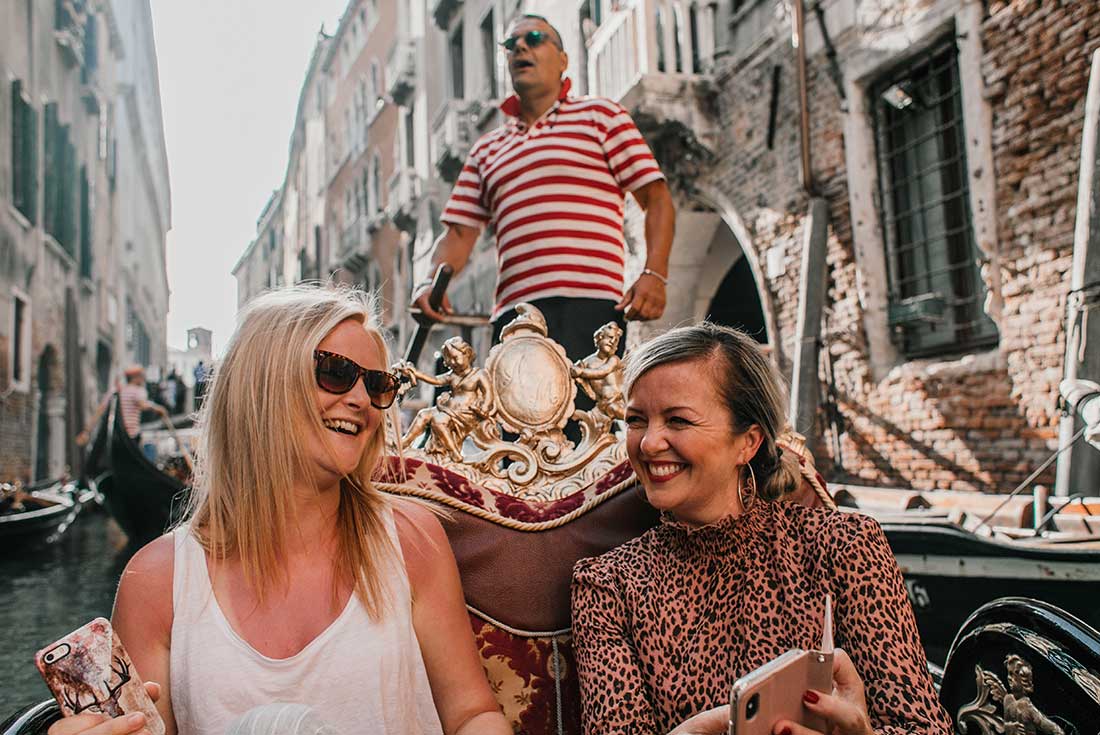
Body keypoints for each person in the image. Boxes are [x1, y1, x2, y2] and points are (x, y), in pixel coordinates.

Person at [50, 285, 511, 735]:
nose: (361, 401)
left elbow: (471, 714)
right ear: (261, 384)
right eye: (334, 371)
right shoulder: (155, 583)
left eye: (377, 384)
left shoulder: (413, 539)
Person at [570, 322, 952, 735]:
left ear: (748, 442)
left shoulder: (844, 546)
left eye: (678, 421)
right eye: (636, 420)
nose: (647, 444)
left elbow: (924, 727)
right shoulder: (607, 586)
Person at [412, 13, 676, 363]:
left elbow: (656, 198)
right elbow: (459, 234)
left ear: (563, 60)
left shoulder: (601, 116)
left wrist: (654, 274)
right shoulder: (487, 148)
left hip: (592, 309)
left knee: (588, 418)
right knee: (513, 417)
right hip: (514, 317)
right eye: (510, 44)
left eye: (534, 38)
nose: (520, 46)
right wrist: (428, 282)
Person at [76, 365, 169, 447]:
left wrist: (87, 431)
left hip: (115, 437)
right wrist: (158, 409)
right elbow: (143, 405)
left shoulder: (115, 391)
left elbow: (100, 410)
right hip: (131, 436)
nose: (143, 379)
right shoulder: (138, 391)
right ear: (136, 377)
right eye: (142, 376)